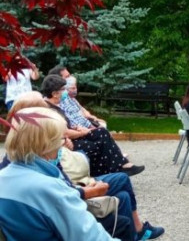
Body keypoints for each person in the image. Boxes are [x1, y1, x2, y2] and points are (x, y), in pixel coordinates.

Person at [0, 107, 115, 240]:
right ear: (46, 145)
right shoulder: (50, 188)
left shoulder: (3, 177)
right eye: (61, 140)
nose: (63, 145)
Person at [41, 74, 144, 177]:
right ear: (54, 93)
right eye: (63, 89)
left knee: (101, 132)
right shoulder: (50, 109)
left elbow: (66, 127)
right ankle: (108, 171)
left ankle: (121, 165)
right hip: (64, 142)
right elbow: (63, 132)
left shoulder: (56, 105)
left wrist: (76, 128)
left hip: (71, 136)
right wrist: (81, 132)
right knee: (95, 145)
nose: (66, 92)